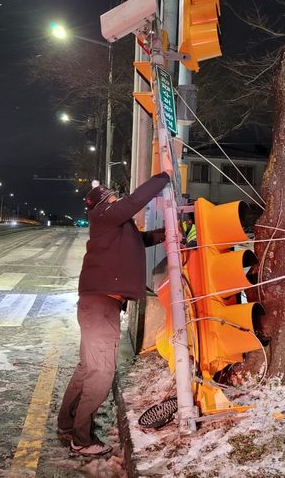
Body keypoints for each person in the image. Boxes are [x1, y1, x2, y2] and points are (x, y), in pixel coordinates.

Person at [57, 171, 170, 455]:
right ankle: (81, 440)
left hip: (98, 305)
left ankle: (67, 423)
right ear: (104, 201)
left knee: (87, 369)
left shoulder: (112, 227)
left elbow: (138, 240)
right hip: (100, 306)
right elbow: (132, 203)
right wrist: (163, 178)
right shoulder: (103, 214)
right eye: (113, 196)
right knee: (101, 373)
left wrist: (166, 234)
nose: (117, 199)